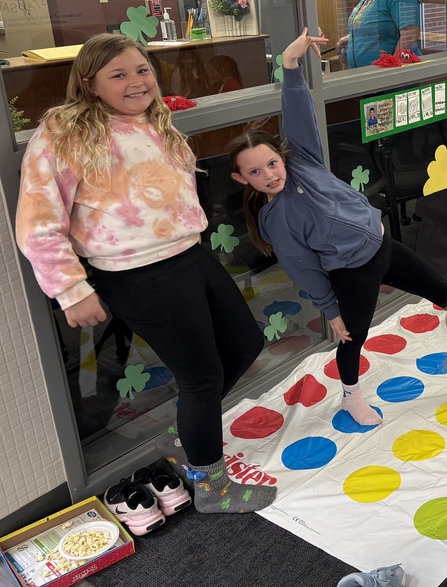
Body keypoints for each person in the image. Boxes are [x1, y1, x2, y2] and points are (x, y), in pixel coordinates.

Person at [15, 33, 274, 515]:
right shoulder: (65, 131)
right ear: (90, 83)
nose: (137, 82)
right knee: (200, 376)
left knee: (245, 344)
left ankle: (187, 434)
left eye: (143, 70)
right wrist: (71, 289)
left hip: (190, 255)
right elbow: (38, 220)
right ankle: (211, 485)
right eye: (119, 74)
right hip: (138, 273)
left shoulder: (156, 121)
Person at [228, 28, 447, 426]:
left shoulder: (304, 161)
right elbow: (303, 268)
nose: (268, 174)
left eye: (272, 163)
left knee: (446, 294)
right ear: (242, 179)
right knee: (353, 337)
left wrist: (291, 65)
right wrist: (331, 309)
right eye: (255, 172)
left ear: (283, 158)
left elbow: (299, 114)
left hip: (384, 247)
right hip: (352, 272)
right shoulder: (276, 219)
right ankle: (351, 395)